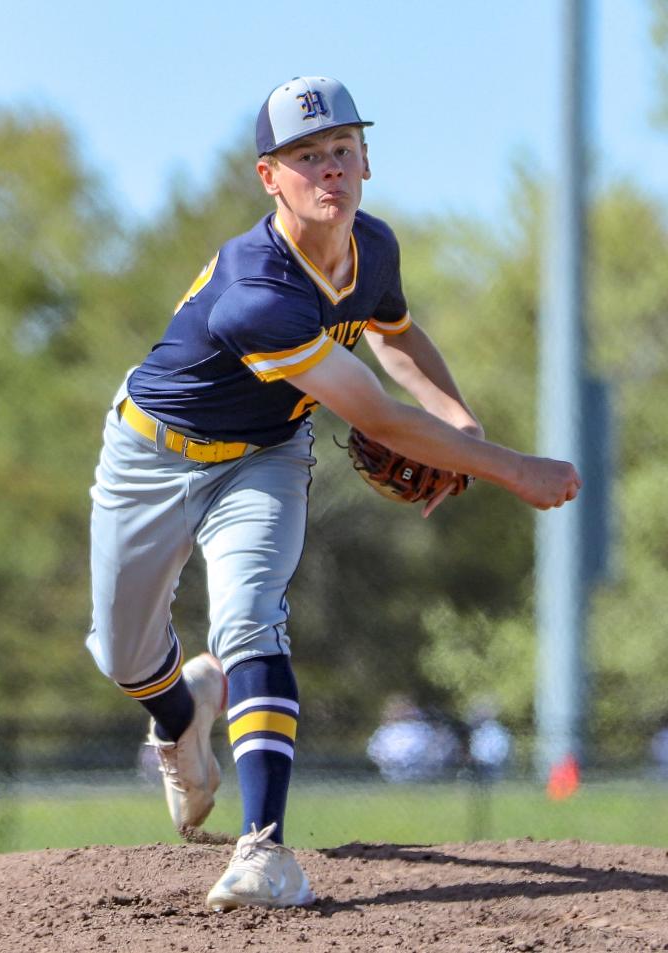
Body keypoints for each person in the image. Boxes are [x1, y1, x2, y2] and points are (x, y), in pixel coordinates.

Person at [85, 75, 581, 912]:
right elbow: (376, 415)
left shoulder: (373, 247)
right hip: (149, 455)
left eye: (343, 150)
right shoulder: (257, 293)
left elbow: (396, 333)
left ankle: (263, 848)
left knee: (250, 615)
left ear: (366, 160)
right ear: (268, 177)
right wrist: (509, 466)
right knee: (121, 654)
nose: (330, 170)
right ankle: (183, 712)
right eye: (306, 155)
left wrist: (456, 416)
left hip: (264, 458)